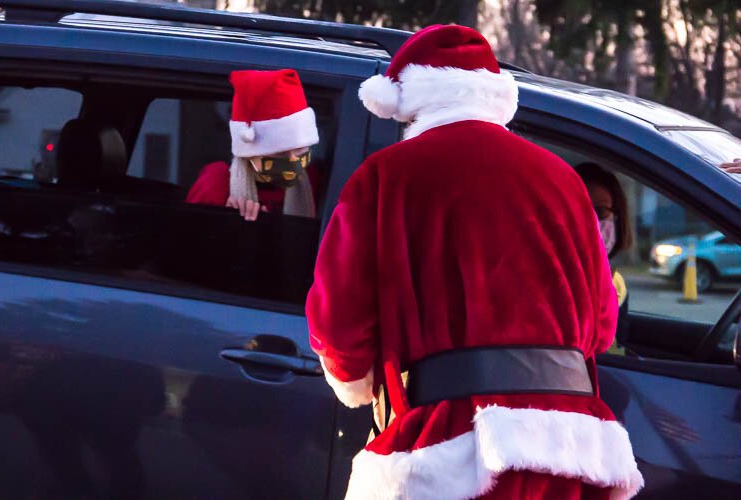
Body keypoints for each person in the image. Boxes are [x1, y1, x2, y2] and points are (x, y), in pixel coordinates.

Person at [306, 24, 643, 499]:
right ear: (494, 98)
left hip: (445, 444)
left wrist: (357, 384)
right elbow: (602, 326)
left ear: (406, 101)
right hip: (568, 448)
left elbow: (338, 322)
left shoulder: (385, 177)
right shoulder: (564, 180)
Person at [186, 69, 320, 221]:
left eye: (300, 149)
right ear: (250, 154)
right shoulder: (216, 184)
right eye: (280, 153)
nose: (293, 160)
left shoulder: (311, 181)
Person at [575, 163, 634, 353]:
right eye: (581, 210)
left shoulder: (617, 284)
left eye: (600, 212)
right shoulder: (548, 284)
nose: (591, 221)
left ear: (618, 217)